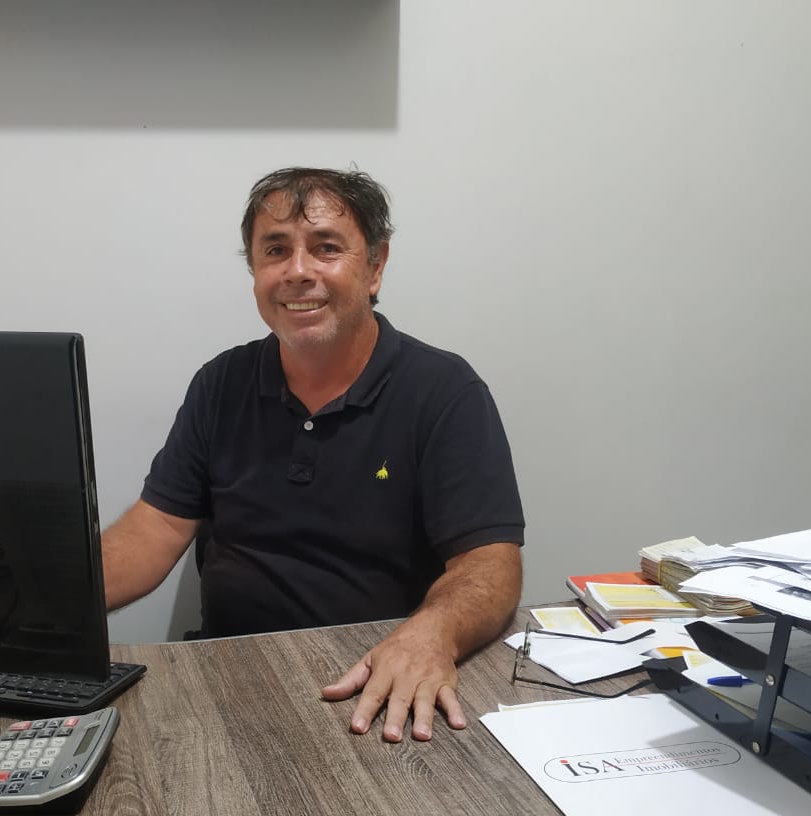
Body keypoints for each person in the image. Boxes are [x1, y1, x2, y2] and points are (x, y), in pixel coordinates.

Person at [102, 167, 524, 743]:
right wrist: (45, 602)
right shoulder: (221, 382)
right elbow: (153, 530)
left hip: (379, 684)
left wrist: (434, 632)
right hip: (231, 678)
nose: (298, 271)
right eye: (275, 250)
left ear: (374, 266)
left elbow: (490, 564)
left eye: (326, 248)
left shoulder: (443, 391)